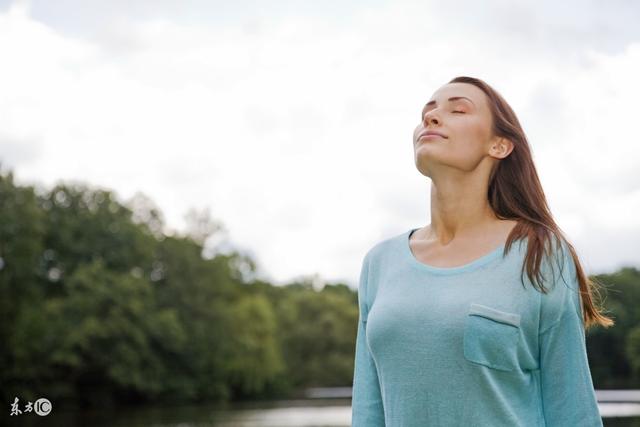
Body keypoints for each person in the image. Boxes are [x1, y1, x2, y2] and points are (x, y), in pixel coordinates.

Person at [350, 76, 614, 427]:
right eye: (427, 111)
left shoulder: (539, 253)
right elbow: (368, 413)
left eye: (457, 109)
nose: (431, 117)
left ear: (499, 146)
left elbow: (573, 410)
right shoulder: (379, 264)